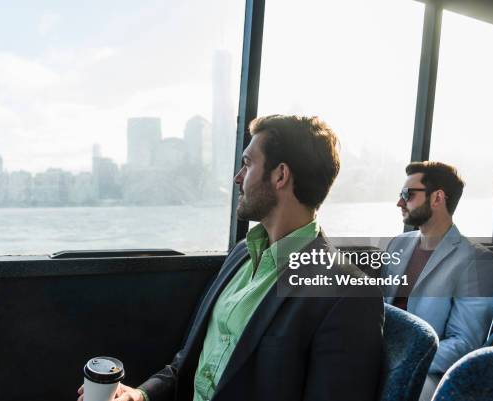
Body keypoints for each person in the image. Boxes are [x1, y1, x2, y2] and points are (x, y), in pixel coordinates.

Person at [78, 115, 384, 401]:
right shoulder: (241, 255)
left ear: (280, 175)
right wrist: (140, 396)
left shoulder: (347, 295)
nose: (238, 177)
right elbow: (190, 363)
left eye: (247, 164)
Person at [381, 161, 493, 401]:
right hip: (380, 357)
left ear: (437, 198)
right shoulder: (398, 244)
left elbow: (465, 344)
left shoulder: (478, 261)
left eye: (408, 195)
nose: (399, 202)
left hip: (429, 373)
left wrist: (401, 360)